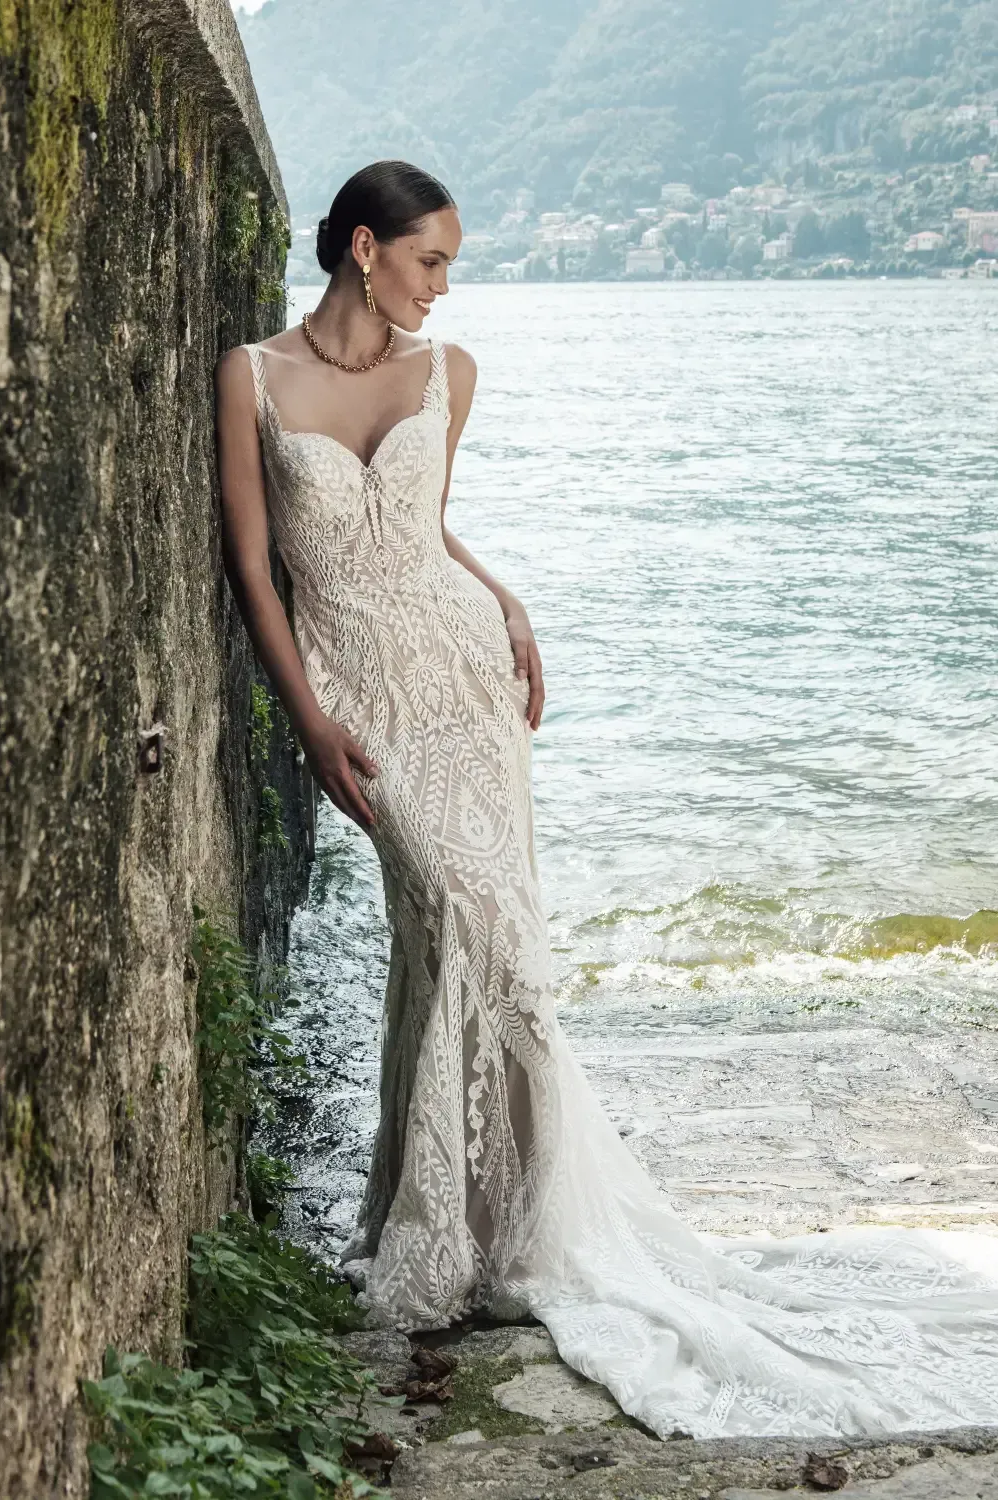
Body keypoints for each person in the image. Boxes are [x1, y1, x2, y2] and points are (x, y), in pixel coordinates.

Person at [215, 159, 998, 1440]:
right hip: (363, 690)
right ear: (364, 248)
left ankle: (496, 1233)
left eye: (450, 265)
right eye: (430, 259)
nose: (444, 285)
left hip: (464, 677)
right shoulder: (248, 378)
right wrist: (308, 721)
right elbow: (257, 568)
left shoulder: (445, 374)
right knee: (453, 926)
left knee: (493, 940)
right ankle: (440, 1226)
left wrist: (509, 598)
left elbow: (425, 533)